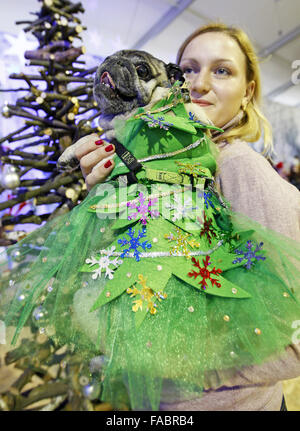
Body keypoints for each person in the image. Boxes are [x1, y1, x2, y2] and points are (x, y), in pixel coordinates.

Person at [71, 23, 300, 411]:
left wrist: (189, 367)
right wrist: (107, 195)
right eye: (188, 69)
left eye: (222, 70)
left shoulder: (239, 166)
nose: (199, 84)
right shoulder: (159, 164)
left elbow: (293, 338)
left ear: (248, 92)